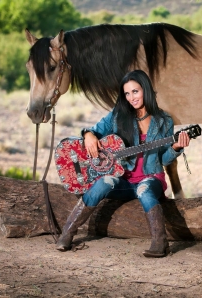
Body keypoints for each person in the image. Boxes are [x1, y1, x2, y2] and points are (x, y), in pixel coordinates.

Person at [56, 70, 190, 257]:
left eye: (135, 91)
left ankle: (160, 244)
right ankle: (67, 234)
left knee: (144, 191)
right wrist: (88, 135)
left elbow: (163, 159)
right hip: (123, 180)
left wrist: (175, 147)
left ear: (146, 89)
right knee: (102, 183)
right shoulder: (118, 116)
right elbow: (93, 130)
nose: (131, 97)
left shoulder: (164, 121)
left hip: (150, 177)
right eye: (127, 93)